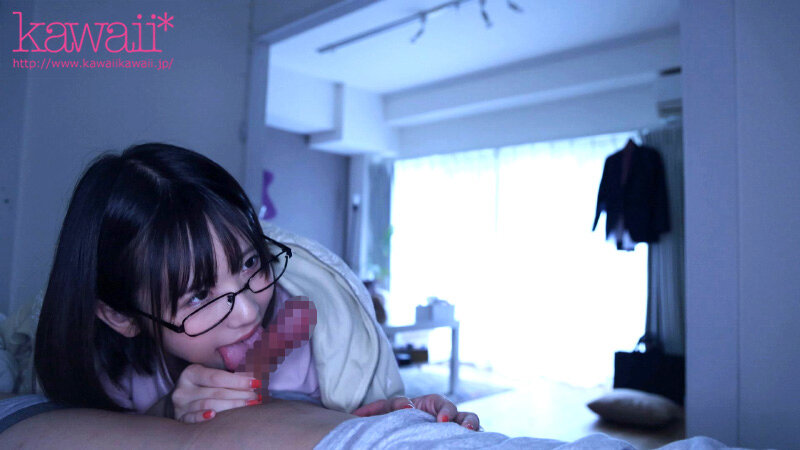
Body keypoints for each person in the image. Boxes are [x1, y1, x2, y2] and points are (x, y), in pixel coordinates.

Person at [29, 142, 478, 429]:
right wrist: (165, 413)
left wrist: (383, 419)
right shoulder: (114, 374)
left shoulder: (310, 345)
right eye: (199, 295)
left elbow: (345, 417)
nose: (248, 312)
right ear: (120, 315)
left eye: (249, 263)